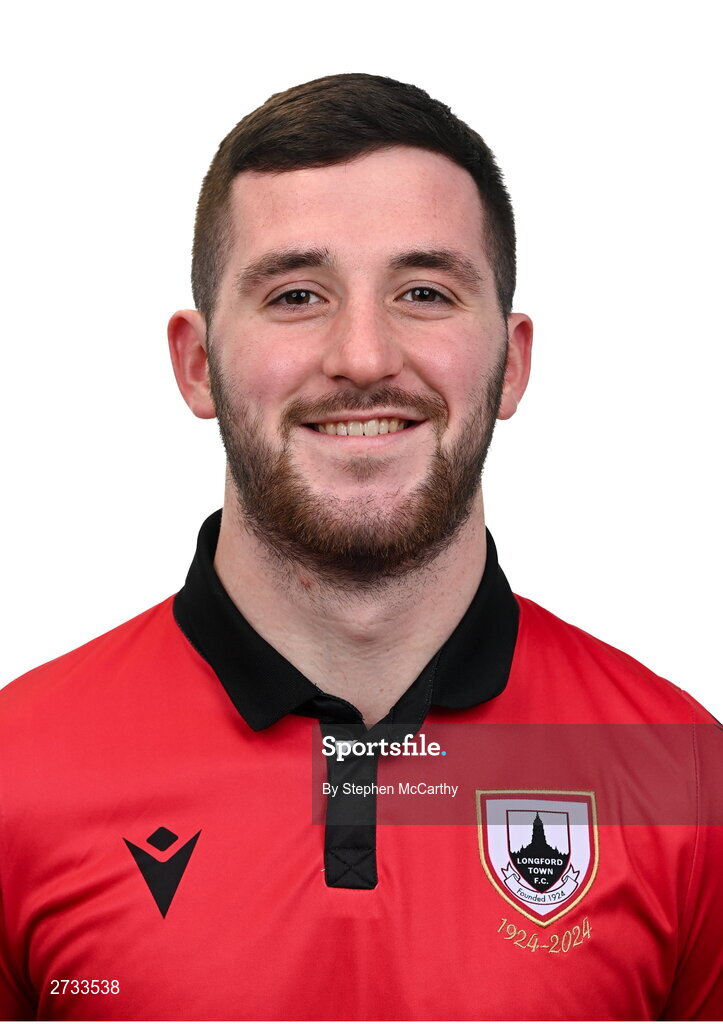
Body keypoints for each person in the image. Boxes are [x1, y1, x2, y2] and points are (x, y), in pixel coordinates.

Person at [0, 73, 720, 1022]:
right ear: (196, 362)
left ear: (511, 363)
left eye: (424, 291)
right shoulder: (18, 771)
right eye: (297, 294)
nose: (365, 355)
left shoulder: (681, 776)